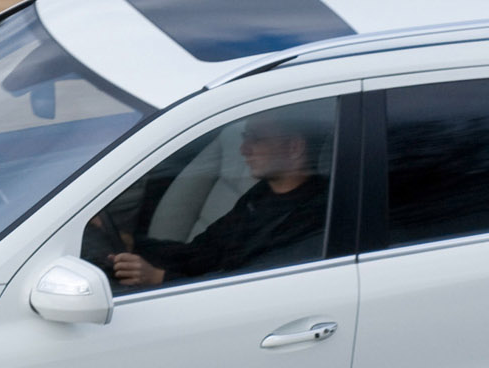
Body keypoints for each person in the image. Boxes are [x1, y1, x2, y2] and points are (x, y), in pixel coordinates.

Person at [107, 111, 328, 290]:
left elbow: (242, 287)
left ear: (294, 148)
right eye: (245, 137)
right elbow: (202, 251)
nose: (244, 149)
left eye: (257, 139)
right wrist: (137, 245)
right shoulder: (261, 193)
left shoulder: (312, 217)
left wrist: (159, 278)